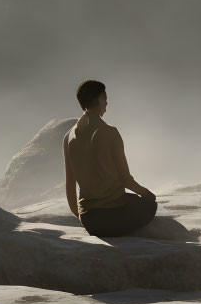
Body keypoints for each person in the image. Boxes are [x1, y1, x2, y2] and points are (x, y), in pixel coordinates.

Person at [63, 79, 157, 238]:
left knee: (131, 200)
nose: (107, 102)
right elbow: (126, 180)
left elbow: (70, 184)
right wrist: (148, 195)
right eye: (105, 98)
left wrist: (80, 215)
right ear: (99, 100)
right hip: (112, 217)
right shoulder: (109, 132)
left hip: (89, 220)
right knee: (149, 205)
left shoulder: (68, 137)